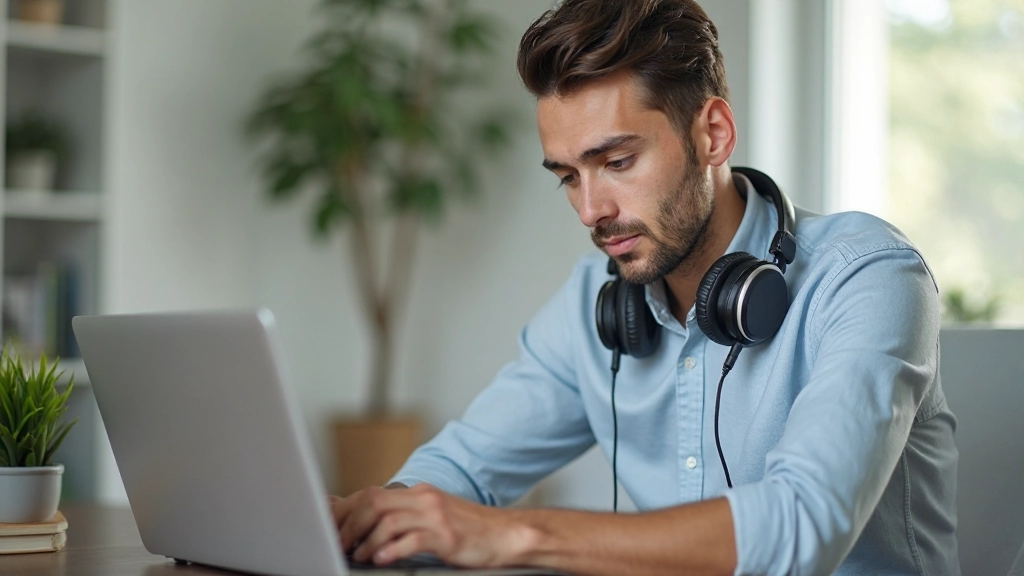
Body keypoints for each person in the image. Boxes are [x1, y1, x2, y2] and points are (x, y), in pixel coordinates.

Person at [330, 0, 960, 574]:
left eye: (618, 162)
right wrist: (365, 520)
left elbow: (803, 524)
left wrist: (517, 535)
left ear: (712, 133)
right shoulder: (593, 307)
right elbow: (461, 469)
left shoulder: (867, 276)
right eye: (568, 177)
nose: (590, 210)